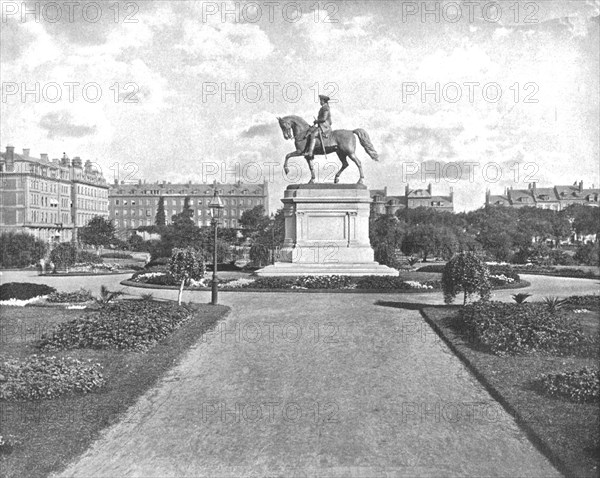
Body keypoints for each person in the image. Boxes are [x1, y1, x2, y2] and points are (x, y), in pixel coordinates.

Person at [305, 94, 332, 159]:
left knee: (313, 134)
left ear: (324, 101)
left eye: (321, 100)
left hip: (325, 126)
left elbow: (324, 119)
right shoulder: (323, 107)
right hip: (322, 125)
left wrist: (317, 121)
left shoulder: (325, 108)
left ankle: (310, 152)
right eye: (320, 100)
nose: (320, 102)